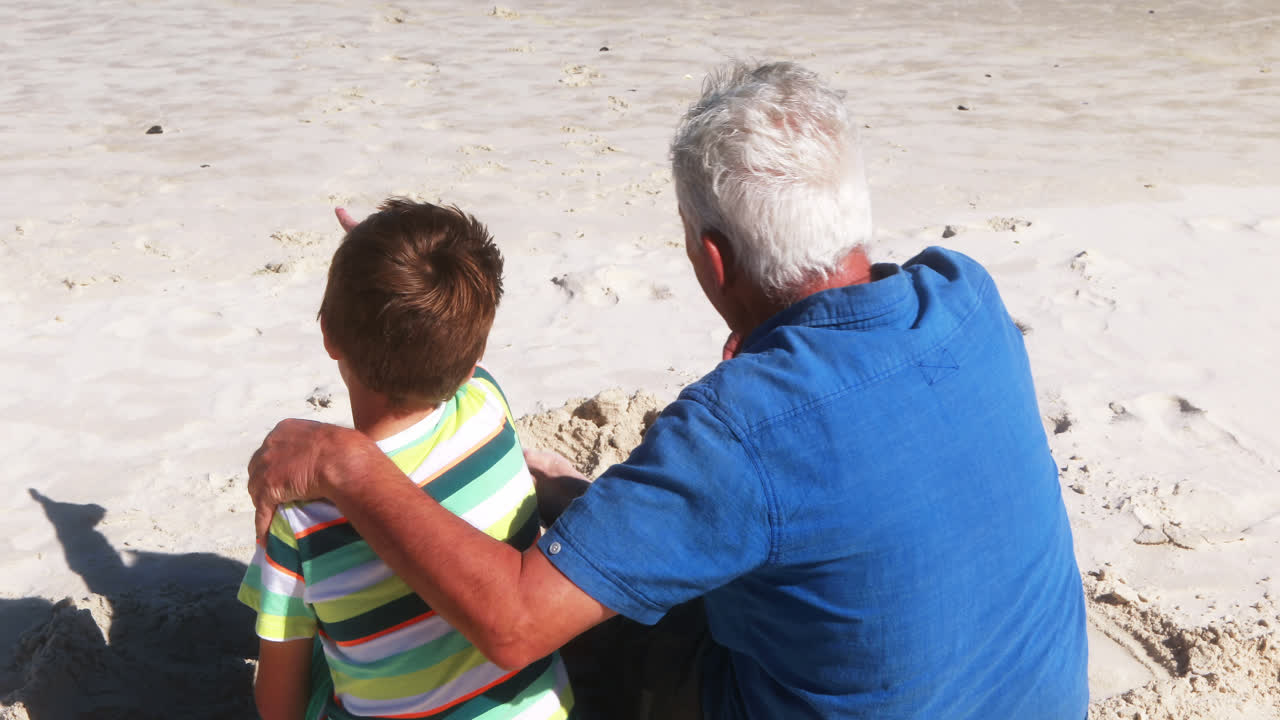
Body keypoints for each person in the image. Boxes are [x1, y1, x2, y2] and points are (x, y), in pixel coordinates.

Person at [248, 62, 1089, 719]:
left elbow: (512, 626)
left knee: (611, 630)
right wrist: (408, 288)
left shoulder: (738, 428)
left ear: (713, 261)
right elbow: (843, 452)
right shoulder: (964, 295)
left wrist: (347, 463)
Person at [237, 199, 575, 720]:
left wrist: (374, 269)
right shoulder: (487, 403)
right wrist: (411, 271)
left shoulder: (301, 516)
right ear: (472, 360)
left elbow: (276, 705)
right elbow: (459, 346)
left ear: (327, 333)